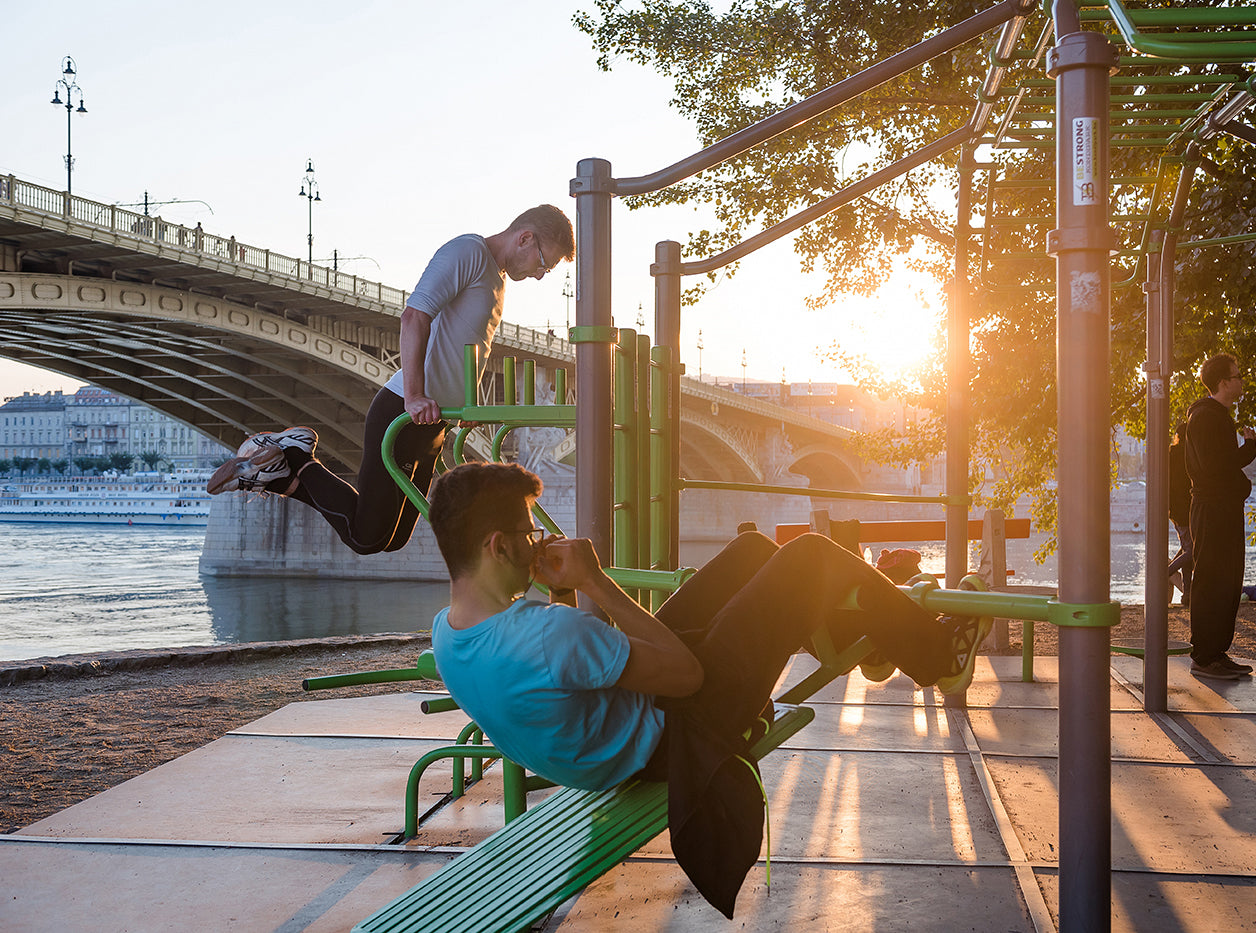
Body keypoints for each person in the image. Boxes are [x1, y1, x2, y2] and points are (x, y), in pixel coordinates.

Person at [426, 461, 992, 917]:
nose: (538, 542)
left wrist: (562, 591)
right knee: (810, 554)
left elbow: (563, 681)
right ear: (499, 547)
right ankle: (941, 659)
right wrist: (595, 581)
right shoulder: (551, 635)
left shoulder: (448, 634)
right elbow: (687, 673)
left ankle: (873, 636)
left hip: (612, 742)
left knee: (753, 553)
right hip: (680, 731)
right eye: (529, 533)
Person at [206, 205, 575, 555]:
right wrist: (414, 396)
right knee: (366, 538)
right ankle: (293, 453)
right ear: (525, 238)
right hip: (403, 411)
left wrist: (468, 404)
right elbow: (414, 316)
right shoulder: (468, 252)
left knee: (394, 539)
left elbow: (467, 345)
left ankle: (281, 474)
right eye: (544, 263)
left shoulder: (496, 277)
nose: (541, 274)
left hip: (433, 423)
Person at [1185, 353, 1256, 680]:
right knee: (1212, 579)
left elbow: (1222, 463)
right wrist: (1248, 455)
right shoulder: (1205, 417)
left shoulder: (1217, 416)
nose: (1242, 381)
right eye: (1237, 375)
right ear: (1223, 382)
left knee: (1228, 579)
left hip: (1222, 508)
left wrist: (1248, 449)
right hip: (1213, 509)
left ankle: (1216, 651)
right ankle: (1204, 655)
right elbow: (1215, 467)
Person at [1166, 421, 1192, 605]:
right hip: (1189, 508)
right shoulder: (1190, 455)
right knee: (1192, 550)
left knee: (1187, 547)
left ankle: (1187, 594)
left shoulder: (1170, 454)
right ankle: (1165, 572)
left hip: (1175, 509)